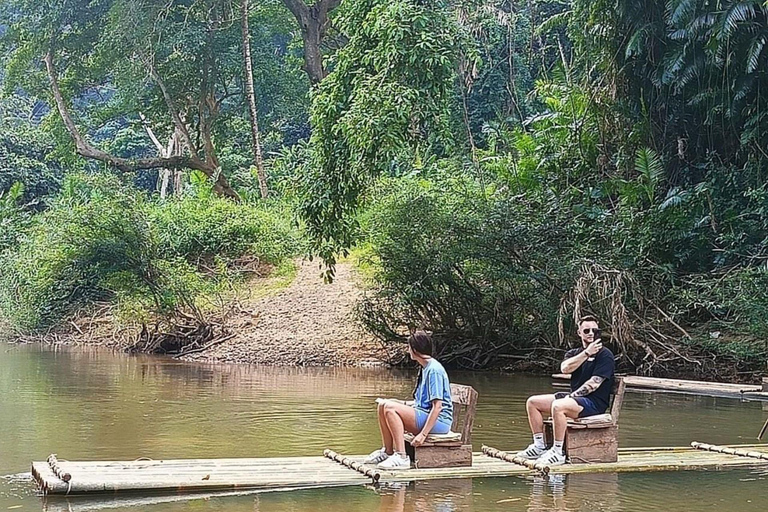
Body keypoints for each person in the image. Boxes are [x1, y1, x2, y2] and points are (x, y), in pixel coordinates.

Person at [516, 315, 615, 466]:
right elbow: (565, 368)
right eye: (586, 330)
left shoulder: (605, 355)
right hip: (574, 399)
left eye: (594, 330)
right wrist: (587, 353)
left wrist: (570, 397)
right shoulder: (574, 353)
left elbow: (594, 384)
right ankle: (539, 446)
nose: (590, 333)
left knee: (558, 406)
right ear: (579, 333)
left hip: (594, 403)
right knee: (533, 402)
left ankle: (557, 452)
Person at [364, 330, 454, 470]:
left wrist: (423, 435)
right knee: (383, 405)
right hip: (426, 415)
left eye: (409, 347)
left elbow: (438, 406)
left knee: (390, 408)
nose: (408, 350)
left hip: (440, 422)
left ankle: (401, 457)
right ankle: (388, 451)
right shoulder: (425, 368)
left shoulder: (434, 370)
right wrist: (400, 402)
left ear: (415, 350)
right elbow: (423, 403)